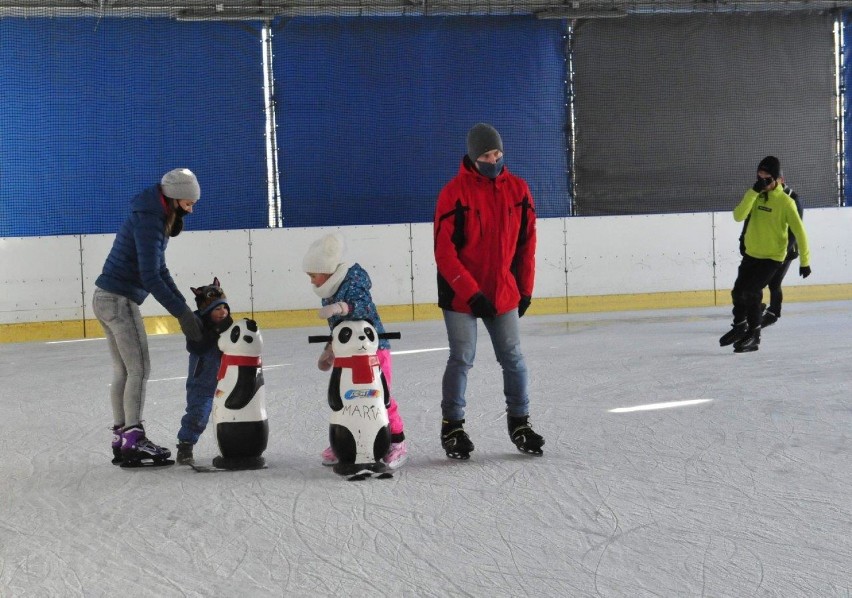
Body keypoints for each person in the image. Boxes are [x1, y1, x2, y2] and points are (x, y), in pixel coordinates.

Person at [433, 122, 544, 459]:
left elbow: (527, 245)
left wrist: (524, 290)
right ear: (472, 156)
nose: (493, 159)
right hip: (461, 295)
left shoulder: (519, 190)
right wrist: (471, 292)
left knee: (513, 358)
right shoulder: (453, 193)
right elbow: (444, 252)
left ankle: (520, 421)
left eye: (496, 153)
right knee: (462, 357)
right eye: (485, 154)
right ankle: (453, 425)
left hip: (503, 290)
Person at [93, 168, 205, 466]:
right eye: (189, 202)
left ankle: (121, 436)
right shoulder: (150, 220)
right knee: (139, 369)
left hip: (105, 298)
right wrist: (181, 315)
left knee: (124, 371)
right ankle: (134, 439)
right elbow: (150, 276)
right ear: (175, 198)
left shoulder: (152, 214)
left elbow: (161, 270)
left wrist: (184, 306)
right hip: (119, 301)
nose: (191, 208)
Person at [302, 233, 408, 469]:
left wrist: (342, 307)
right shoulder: (328, 290)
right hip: (347, 355)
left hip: (373, 351)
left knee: (381, 397)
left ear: (326, 269)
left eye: (313, 275)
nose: (311, 281)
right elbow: (338, 328)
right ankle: (346, 442)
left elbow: (365, 308)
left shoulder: (353, 281)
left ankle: (397, 441)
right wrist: (330, 350)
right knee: (347, 398)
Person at [720, 156, 811, 353]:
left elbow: (800, 231)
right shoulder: (755, 196)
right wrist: (753, 192)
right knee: (738, 292)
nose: (763, 183)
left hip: (773, 257)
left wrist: (805, 260)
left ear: (778, 180)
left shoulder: (787, 202)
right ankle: (739, 327)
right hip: (752, 254)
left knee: (752, 293)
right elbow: (738, 216)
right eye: (759, 178)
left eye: (767, 179)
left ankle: (754, 335)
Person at [175, 277, 234, 465]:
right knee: (198, 414)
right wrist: (217, 330)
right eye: (217, 309)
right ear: (207, 311)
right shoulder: (196, 324)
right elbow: (197, 347)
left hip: (227, 380)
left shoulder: (229, 324)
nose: (223, 312)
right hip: (202, 381)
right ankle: (185, 445)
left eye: (224, 307)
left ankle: (235, 447)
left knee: (231, 415)